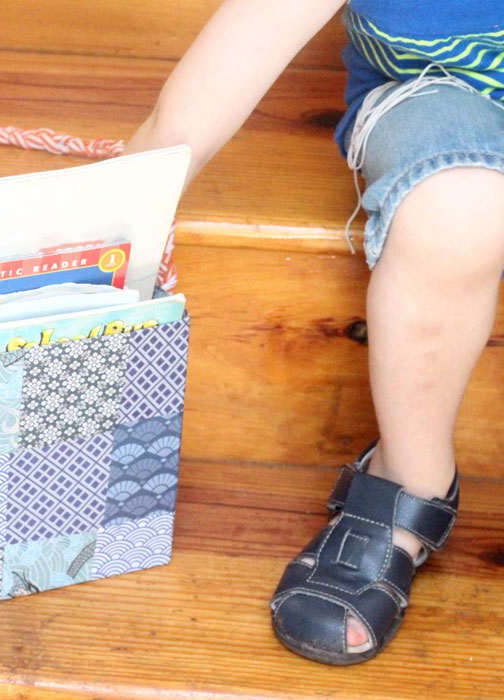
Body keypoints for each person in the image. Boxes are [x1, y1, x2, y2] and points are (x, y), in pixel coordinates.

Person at [125, 0, 504, 665]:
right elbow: (224, 71)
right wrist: (117, 213)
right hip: (441, 96)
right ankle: (411, 477)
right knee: (457, 213)